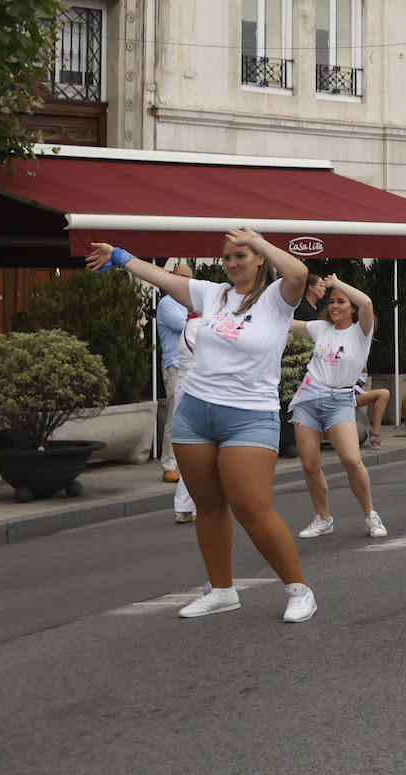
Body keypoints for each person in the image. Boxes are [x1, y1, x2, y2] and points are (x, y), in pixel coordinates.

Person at [85, 229, 317, 623]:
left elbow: (298, 272)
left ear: (260, 257)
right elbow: (161, 278)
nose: (232, 263)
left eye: (241, 255)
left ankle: (299, 590)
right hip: (195, 414)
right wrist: (120, 256)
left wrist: (259, 239)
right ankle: (222, 590)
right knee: (208, 507)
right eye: (226, 257)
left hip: (249, 417)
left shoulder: (278, 299)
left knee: (252, 508)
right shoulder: (212, 294)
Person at [289, 274, 387, 541]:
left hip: (340, 402)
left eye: (341, 302)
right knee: (310, 465)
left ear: (352, 308)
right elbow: (288, 323)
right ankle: (323, 519)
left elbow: (367, 303)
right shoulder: (321, 328)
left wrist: (337, 283)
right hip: (308, 401)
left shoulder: (361, 332)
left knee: (352, 460)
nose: (334, 306)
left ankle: (371, 514)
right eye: (331, 301)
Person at [157, 263, 194, 483]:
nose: (185, 280)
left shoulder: (191, 302)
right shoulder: (167, 303)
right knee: (175, 416)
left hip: (194, 366)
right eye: (181, 276)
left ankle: (186, 463)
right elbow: (187, 326)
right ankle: (168, 465)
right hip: (175, 366)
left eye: (188, 276)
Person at [171, 307, 201, 524]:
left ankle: (183, 506)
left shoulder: (187, 326)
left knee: (191, 454)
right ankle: (199, 507)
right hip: (197, 392)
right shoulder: (200, 326)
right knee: (203, 453)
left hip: (183, 392)